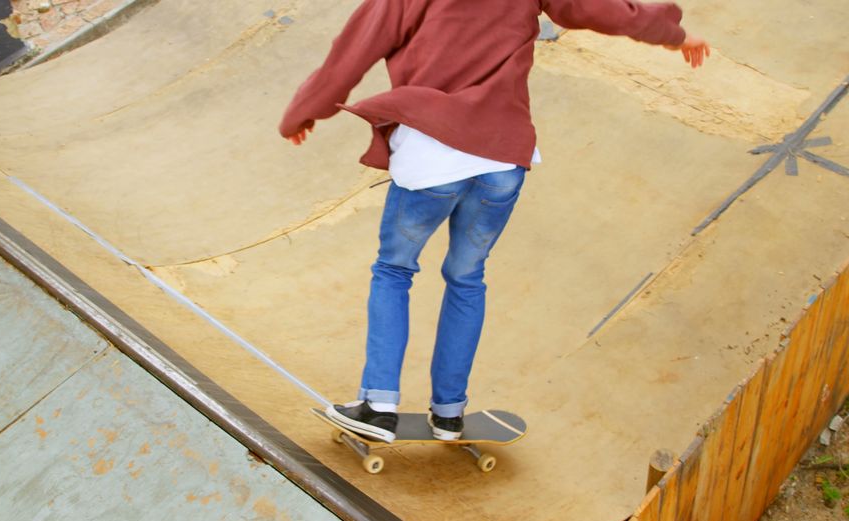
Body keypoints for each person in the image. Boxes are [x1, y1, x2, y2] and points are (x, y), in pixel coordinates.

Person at [280, 0, 709, 443]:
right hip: (502, 161)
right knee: (467, 278)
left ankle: (379, 405)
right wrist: (673, 35)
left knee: (393, 270)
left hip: (433, 156)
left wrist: (302, 111)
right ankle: (449, 413)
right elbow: (597, 8)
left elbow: (352, 50)